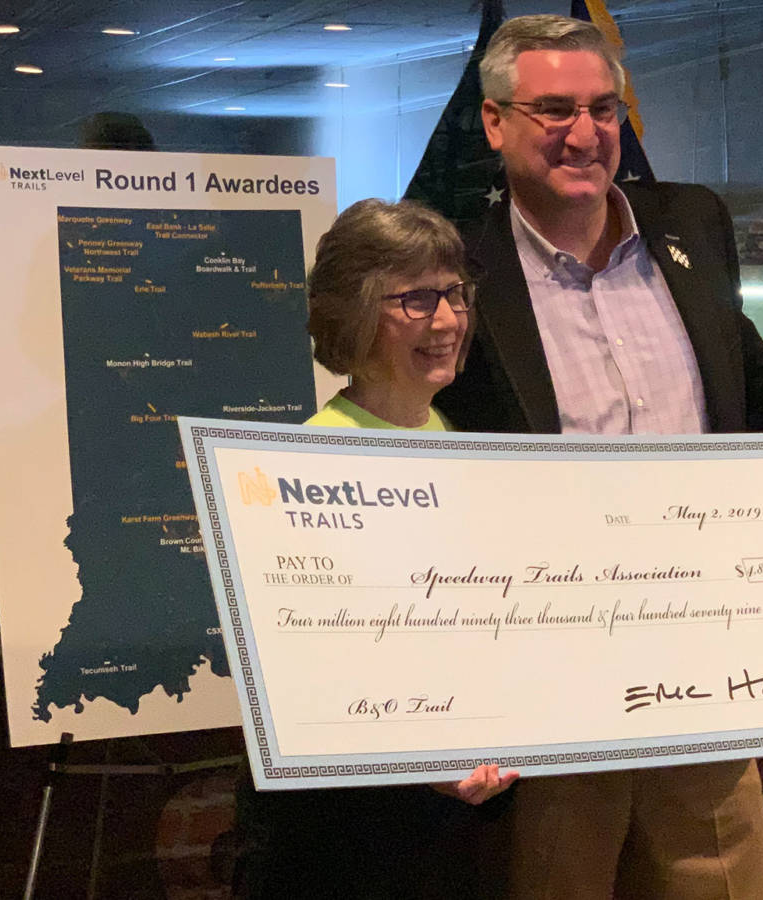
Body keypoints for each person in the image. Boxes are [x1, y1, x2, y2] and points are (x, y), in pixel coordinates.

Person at [434, 14, 763, 900]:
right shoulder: (457, 264)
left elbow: (746, 362)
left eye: (603, 108)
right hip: (553, 654)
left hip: (705, 646)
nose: (584, 134)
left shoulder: (691, 222)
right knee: (560, 878)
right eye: (553, 109)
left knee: (723, 874)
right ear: (494, 122)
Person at [232, 198, 517, 899]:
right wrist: (415, 757)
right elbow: (300, 673)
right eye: (417, 299)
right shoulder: (306, 465)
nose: (448, 320)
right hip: (347, 829)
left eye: (454, 293)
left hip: (458, 816)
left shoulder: (461, 438)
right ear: (354, 315)